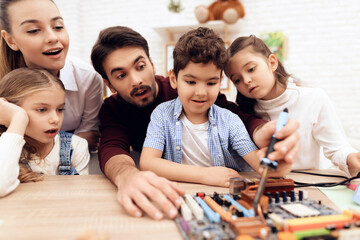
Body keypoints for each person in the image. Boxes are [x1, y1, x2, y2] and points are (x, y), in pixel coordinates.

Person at [90, 26, 300, 220]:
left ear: (152, 65)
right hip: (184, 197)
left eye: (140, 66)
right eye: (121, 75)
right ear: (109, 84)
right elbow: (121, 151)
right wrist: (127, 176)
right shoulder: (158, 114)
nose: (136, 80)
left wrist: (272, 158)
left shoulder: (224, 116)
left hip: (225, 197)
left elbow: (248, 140)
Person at [140, 27, 293, 187]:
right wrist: (203, 175)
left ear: (220, 82)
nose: (201, 93)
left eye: (211, 83)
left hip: (222, 197)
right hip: (181, 195)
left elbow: (260, 164)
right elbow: (148, 163)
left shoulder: (230, 121)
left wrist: (277, 162)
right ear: (173, 79)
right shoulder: (162, 114)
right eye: (191, 82)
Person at [225, 35, 360, 177]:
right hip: (268, 186)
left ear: (272, 63)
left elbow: (337, 148)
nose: (246, 80)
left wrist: (350, 157)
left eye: (251, 69)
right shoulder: (242, 116)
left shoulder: (313, 98)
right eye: (237, 80)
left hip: (310, 185)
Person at [0, 0, 103, 149]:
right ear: (10, 40)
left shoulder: (87, 78)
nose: (53, 38)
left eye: (58, 27)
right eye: (34, 30)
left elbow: (90, 138)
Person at [0, 68, 90, 197]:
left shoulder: (76, 146)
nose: (55, 119)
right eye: (42, 110)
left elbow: (82, 196)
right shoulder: (4, 148)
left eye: (60, 109)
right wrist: (18, 119)